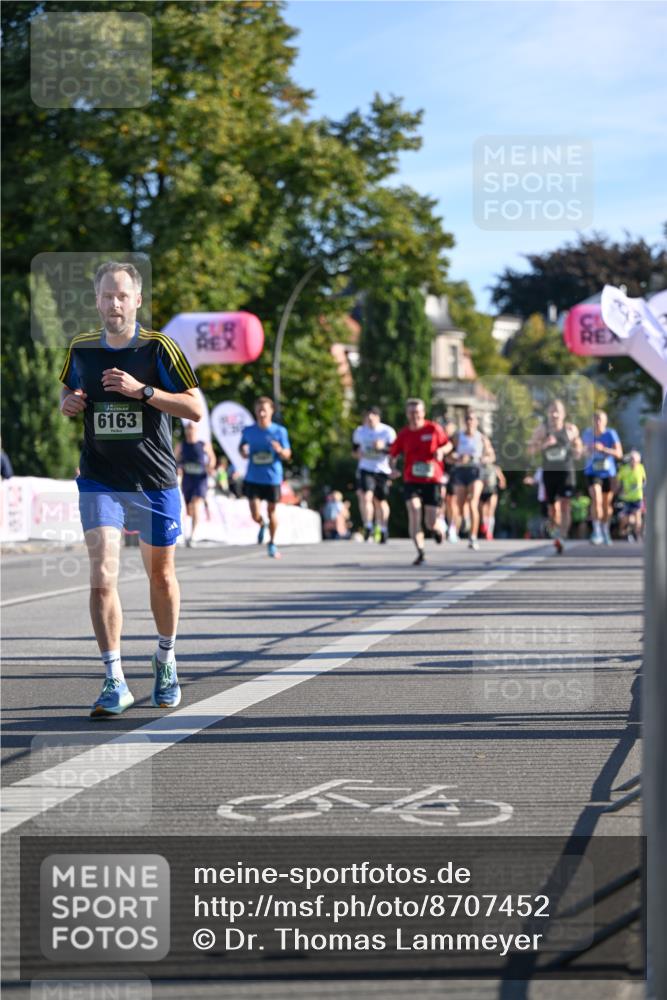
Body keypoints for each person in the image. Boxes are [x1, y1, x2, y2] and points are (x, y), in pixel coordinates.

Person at [59, 261, 201, 717]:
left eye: (122, 295)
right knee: (103, 575)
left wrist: (143, 391)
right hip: (100, 480)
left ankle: (165, 658)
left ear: (137, 300)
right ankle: (114, 678)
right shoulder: (80, 349)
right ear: (96, 300)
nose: (113, 303)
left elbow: (194, 407)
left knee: (160, 576)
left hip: (154, 481)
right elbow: (69, 396)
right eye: (106, 296)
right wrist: (69, 403)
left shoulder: (159, 347)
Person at [389, 398, 452, 565]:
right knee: (414, 510)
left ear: (423, 413)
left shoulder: (433, 429)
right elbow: (393, 454)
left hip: (432, 479)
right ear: (407, 414)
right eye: (411, 412)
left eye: (417, 412)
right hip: (411, 479)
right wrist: (392, 468)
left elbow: (448, 445)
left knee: (430, 522)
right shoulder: (404, 434)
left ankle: (437, 530)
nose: (414, 415)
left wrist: (441, 450)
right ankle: (420, 551)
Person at [527, 399, 583, 554]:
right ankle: (557, 533)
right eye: (552, 411)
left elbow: (578, 450)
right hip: (549, 473)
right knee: (552, 509)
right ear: (548, 413)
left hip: (566, 471)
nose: (555, 414)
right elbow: (530, 451)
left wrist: (577, 448)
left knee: (565, 505)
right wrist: (544, 444)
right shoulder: (541, 430)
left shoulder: (571, 429)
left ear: (564, 414)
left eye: (558, 411)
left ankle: (562, 537)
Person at [240, 397, 291, 558]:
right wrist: (244, 450)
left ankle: (272, 543)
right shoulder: (248, 431)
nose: (261, 413)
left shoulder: (279, 431)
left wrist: (280, 450)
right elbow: (242, 448)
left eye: (264, 410)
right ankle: (262, 525)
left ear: (271, 411)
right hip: (253, 477)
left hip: (272, 478)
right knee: (255, 514)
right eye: (259, 410)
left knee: (272, 510)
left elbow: (288, 454)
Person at [449, 410, 495, 550]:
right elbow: (449, 455)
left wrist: (483, 459)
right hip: (461, 471)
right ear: (465, 421)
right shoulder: (458, 437)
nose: (470, 422)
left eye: (472, 419)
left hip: (476, 471)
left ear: (476, 422)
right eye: (467, 419)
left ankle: (473, 537)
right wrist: (457, 458)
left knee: (473, 502)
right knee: (461, 504)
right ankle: (464, 521)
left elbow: (491, 456)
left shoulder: (481, 438)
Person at [352, 406, 396, 543]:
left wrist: (382, 447)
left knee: (380, 501)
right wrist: (357, 454)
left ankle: (383, 528)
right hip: (366, 468)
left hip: (382, 470)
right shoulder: (360, 431)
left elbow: (394, 451)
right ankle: (368, 526)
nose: (369, 422)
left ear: (378, 418)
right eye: (367, 419)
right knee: (366, 497)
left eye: (372, 419)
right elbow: (354, 450)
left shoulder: (387, 431)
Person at [582, 410, 623, 545]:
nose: (598, 422)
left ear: (605, 422)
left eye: (600, 419)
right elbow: (579, 452)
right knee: (596, 499)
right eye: (595, 419)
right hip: (592, 472)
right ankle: (597, 531)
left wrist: (603, 449)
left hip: (608, 473)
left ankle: (605, 530)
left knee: (606, 504)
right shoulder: (587, 434)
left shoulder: (610, 434)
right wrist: (586, 449)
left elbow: (619, 454)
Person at [175, 422, 216, 546]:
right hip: (187, 479)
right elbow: (173, 459)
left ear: (196, 430)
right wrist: (178, 467)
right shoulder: (181, 445)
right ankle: (191, 528)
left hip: (200, 479)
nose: (190, 431)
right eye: (188, 429)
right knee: (189, 509)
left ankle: (192, 536)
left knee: (196, 503)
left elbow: (212, 459)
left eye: (192, 429)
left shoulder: (203, 444)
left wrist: (210, 466)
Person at [617, 450, 647, 542]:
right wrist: (620, 491)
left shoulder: (641, 468)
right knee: (627, 519)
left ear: (638, 460)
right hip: (626, 498)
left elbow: (644, 480)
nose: (632, 461)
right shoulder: (624, 469)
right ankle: (625, 531)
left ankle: (637, 535)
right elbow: (618, 481)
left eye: (634, 459)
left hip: (637, 497)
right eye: (631, 459)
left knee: (637, 516)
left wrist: (642, 489)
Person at [479, 463, 506, 540]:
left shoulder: (495, 468)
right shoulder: (479, 467)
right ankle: (485, 525)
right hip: (482, 491)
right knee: (483, 511)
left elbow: (502, 480)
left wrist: (501, 483)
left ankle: (489, 532)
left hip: (492, 490)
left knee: (491, 511)